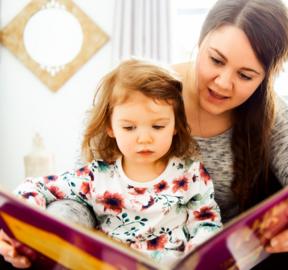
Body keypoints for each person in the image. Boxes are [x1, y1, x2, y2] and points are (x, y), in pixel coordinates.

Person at [0, 59, 222, 268]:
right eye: (129, 127)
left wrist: (196, 257)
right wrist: (18, 223)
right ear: (110, 127)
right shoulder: (97, 176)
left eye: (158, 126)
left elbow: (207, 223)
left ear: (175, 125)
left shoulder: (191, 174)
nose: (144, 138)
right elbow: (36, 187)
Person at [172, 0, 288, 263]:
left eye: (246, 76)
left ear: (266, 78)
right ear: (200, 41)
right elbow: (83, 184)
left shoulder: (270, 113)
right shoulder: (143, 94)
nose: (223, 83)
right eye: (216, 60)